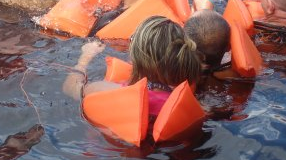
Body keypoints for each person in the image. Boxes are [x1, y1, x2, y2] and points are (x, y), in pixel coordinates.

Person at [63, 16, 202, 118]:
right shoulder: (185, 106)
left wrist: (85, 57)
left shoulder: (107, 91)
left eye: (132, 40)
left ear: (137, 58)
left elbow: (69, 88)